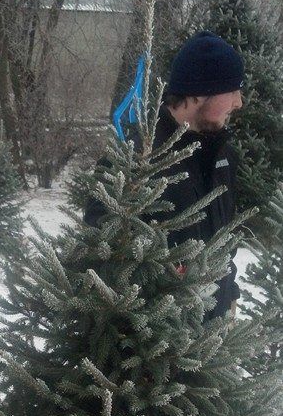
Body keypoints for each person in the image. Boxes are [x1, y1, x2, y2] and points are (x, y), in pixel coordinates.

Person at [85, 31, 245, 319]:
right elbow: (103, 249)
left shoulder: (223, 155)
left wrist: (228, 294)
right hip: (153, 344)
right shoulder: (137, 156)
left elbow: (225, 241)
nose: (238, 102)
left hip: (210, 346)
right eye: (232, 90)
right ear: (200, 93)